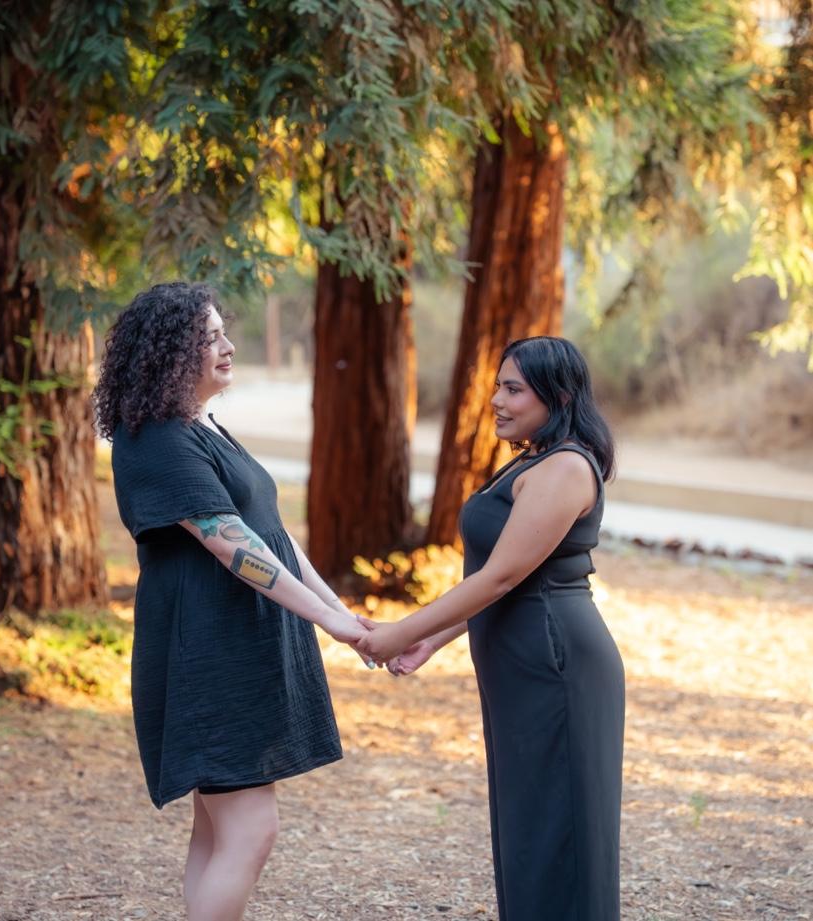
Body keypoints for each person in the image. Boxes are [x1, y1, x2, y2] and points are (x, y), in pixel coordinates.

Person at [92, 281, 370, 921]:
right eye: (209, 337)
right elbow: (231, 544)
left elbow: (274, 537)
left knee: (218, 830)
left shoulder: (201, 427)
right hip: (205, 652)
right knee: (249, 829)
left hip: (233, 644)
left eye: (224, 333)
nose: (228, 346)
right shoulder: (157, 438)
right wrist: (330, 622)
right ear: (169, 353)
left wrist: (341, 616)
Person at [358, 336, 625, 921]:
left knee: (559, 828)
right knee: (529, 822)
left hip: (555, 660)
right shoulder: (533, 459)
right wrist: (432, 638)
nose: (496, 401)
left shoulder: (565, 467)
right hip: (520, 655)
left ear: (559, 396)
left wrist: (399, 632)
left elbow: (502, 577)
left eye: (513, 389)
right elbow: (504, 575)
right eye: (497, 387)